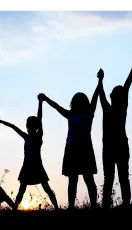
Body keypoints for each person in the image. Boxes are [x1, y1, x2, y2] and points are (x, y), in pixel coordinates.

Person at [38, 75, 102, 209]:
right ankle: (71, 207)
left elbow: (96, 96)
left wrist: (100, 80)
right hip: (72, 149)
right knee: (73, 179)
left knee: (88, 179)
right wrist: (45, 99)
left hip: (84, 149)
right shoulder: (71, 114)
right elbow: (56, 106)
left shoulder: (89, 113)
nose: (77, 104)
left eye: (80, 102)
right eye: (76, 102)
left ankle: (94, 206)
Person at [0, 96, 59, 210]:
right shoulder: (26, 137)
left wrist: (40, 103)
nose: (29, 127)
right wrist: (1, 121)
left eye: (31, 125)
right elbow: (13, 127)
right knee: (22, 189)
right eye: (28, 125)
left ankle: (57, 208)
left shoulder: (39, 136)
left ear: (35, 127)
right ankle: (15, 208)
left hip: (37, 166)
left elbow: (40, 118)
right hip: (27, 166)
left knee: (46, 188)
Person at [99, 60, 132, 209]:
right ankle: (120, 204)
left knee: (117, 177)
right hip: (115, 146)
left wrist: (100, 80)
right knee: (118, 177)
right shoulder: (113, 107)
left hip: (116, 146)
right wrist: (100, 80)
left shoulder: (116, 107)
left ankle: (119, 204)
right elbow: (103, 93)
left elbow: (126, 85)